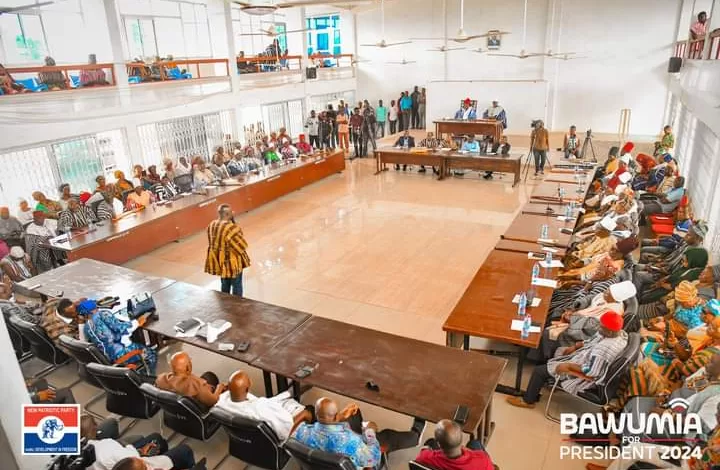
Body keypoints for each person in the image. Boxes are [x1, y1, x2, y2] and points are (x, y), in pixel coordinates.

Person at [507, 311, 628, 408]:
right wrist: (575, 346)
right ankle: (546, 381)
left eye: (602, 327)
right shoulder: (618, 334)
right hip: (583, 356)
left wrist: (568, 366)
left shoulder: (604, 349)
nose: (599, 328)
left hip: (584, 375)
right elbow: (593, 340)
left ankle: (528, 401)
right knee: (555, 349)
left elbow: (592, 371)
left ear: (609, 331)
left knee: (538, 371)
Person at [293, 397, 423, 469]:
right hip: (360, 458)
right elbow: (373, 458)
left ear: (316, 415)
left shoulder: (301, 432)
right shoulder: (352, 443)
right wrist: (370, 431)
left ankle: (360, 426)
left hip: (320, 463)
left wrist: (341, 416)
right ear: (334, 416)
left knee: (354, 414)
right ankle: (415, 436)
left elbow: (291, 433)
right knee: (387, 436)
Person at [215, 370, 311, 441]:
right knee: (310, 410)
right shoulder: (260, 407)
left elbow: (218, 398)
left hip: (252, 435)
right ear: (247, 388)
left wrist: (221, 389)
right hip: (280, 431)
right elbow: (285, 431)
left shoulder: (221, 404)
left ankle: (292, 391)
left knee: (286, 396)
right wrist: (304, 414)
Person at [82, 414, 197, 470]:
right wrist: (141, 454)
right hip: (140, 461)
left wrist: (139, 452)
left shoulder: (81, 455)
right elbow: (134, 462)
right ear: (95, 427)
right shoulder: (107, 446)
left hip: (121, 460)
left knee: (156, 438)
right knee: (184, 450)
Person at [73, 298, 157, 374]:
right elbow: (122, 328)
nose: (97, 308)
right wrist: (137, 322)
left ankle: (138, 372)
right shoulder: (103, 314)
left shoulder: (86, 327)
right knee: (151, 353)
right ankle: (148, 378)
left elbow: (82, 341)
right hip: (121, 354)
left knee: (134, 343)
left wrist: (81, 322)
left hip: (107, 358)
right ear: (94, 308)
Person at [204, 204, 251, 297]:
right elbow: (241, 246)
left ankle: (225, 302)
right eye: (231, 212)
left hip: (220, 262)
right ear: (227, 214)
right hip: (232, 263)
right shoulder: (230, 227)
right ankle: (237, 304)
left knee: (225, 284)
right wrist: (234, 224)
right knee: (236, 286)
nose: (233, 213)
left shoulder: (212, 225)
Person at [415, 419, 495, 470]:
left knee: (430, 441)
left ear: (439, 445)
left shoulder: (426, 458)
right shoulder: (483, 460)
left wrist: (426, 449)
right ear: (461, 439)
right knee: (474, 442)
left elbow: (420, 457)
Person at [156, 352, 225, 409]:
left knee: (208, 375)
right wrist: (220, 387)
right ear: (188, 368)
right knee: (211, 378)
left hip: (174, 409)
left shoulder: (161, 379)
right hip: (196, 411)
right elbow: (213, 401)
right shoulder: (196, 385)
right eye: (190, 361)